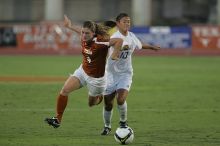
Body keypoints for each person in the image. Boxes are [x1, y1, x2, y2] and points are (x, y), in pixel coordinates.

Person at [45, 15, 123, 128]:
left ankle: (100, 97)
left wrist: (115, 54)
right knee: (65, 90)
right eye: (83, 32)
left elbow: (119, 41)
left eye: (87, 33)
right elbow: (79, 31)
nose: (83, 35)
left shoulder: (101, 42)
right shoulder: (84, 37)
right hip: (83, 71)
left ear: (93, 33)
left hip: (96, 79)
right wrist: (70, 26)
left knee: (91, 104)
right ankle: (57, 119)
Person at [101, 13, 160, 135]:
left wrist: (151, 47)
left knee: (121, 99)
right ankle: (107, 126)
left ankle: (123, 122)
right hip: (110, 75)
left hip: (125, 74)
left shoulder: (132, 36)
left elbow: (140, 45)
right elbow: (102, 46)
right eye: (124, 21)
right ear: (117, 23)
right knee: (108, 104)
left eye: (129, 21)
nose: (127, 23)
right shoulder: (113, 37)